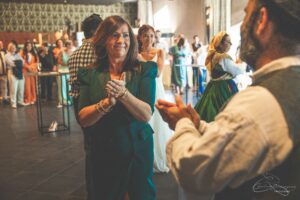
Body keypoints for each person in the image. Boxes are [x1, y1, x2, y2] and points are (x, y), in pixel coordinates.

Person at [156, 0, 300, 199]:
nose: (240, 28)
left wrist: (181, 123)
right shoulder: (290, 82)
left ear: (262, 20)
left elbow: (194, 170)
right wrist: (199, 125)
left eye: (246, 14)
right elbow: (242, 138)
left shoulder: (261, 101)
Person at [78, 16, 157, 200]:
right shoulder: (90, 73)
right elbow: (83, 118)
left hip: (137, 147)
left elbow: (146, 114)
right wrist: (106, 104)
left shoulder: (144, 70)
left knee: (140, 194)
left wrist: (124, 94)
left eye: (126, 35)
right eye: (115, 35)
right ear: (104, 40)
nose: (121, 41)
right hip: (104, 149)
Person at [137, 24, 173, 173]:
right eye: (145, 35)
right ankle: (144, 156)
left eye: (151, 35)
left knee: (156, 120)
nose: (149, 38)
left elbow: (157, 73)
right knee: (143, 120)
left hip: (155, 88)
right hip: (140, 88)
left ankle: (158, 156)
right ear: (140, 37)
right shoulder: (135, 53)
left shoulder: (159, 52)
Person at [194, 31, 243, 122]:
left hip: (214, 86)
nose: (231, 44)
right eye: (228, 42)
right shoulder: (223, 57)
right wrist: (241, 63)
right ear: (220, 44)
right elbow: (237, 71)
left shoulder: (214, 55)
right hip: (224, 87)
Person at [68, 13, 103, 123]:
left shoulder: (73, 55)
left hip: (78, 103)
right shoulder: (101, 53)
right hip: (96, 101)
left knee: (88, 136)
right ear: (95, 31)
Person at [5, 42, 28, 108]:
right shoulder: (7, 55)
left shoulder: (17, 55)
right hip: (12, 73)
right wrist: (18, 63)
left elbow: (23, 62)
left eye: (15, 47)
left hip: (20, 72)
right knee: (13, 89)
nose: (14, 48)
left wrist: (17, 63)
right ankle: (13, 103)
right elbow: (11, 64)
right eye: (12, 47)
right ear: (9, 48)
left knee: (21, 88)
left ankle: (20, 101)